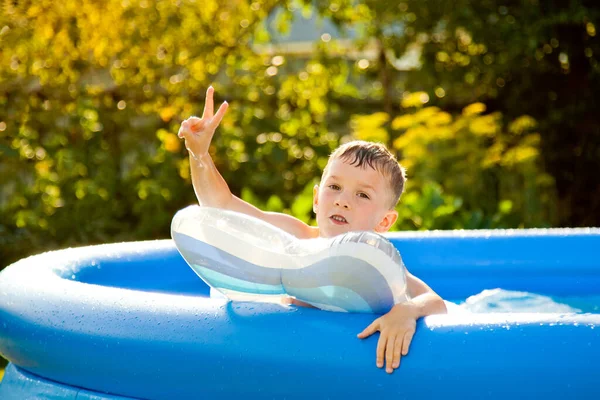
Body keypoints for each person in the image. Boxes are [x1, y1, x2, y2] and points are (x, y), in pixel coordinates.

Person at [177, 86, 447, 374]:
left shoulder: (378, 267)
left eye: (362, 195)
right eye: (335, 187)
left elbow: (437, 303)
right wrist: (200, 155)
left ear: (384, 223)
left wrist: (407, 311)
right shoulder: (297, 238)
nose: (343, 200)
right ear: (317, 199)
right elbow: (220, 207)